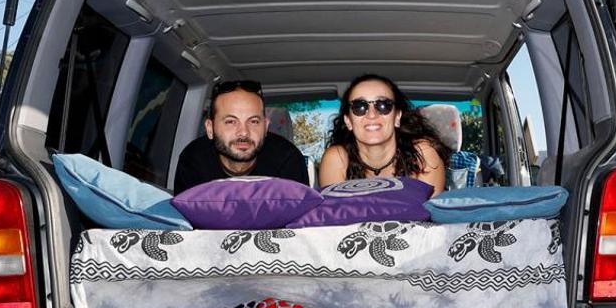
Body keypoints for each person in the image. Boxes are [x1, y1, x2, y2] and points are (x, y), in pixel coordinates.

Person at [318, 74, 450, 196]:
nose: (372, 115)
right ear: (348, 121)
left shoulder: (423, 155)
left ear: (397, 117)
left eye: (383, 105)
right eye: (359, 107)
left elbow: (427, 217)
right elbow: (336, 216)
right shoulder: (337, 159)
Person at [173, 80, 310, 194]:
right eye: (231, 122)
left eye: (254, 121)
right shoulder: (193, 160)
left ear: (266, 127)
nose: (244, 132)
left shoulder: (288, 161)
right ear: (210, 128)